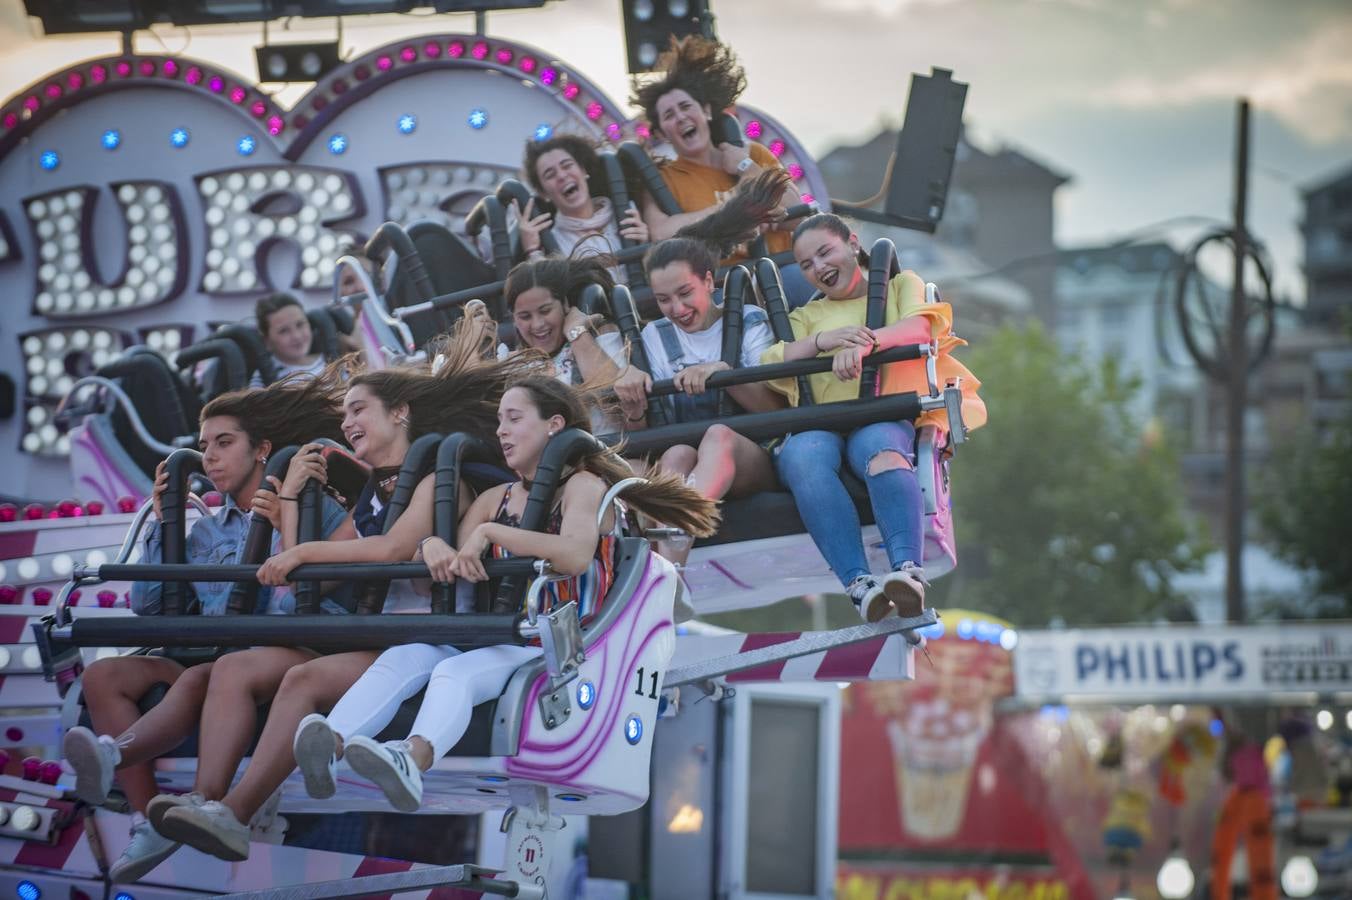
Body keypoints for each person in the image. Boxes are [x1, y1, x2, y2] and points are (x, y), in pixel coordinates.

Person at [150, 327, 537, 864]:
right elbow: (312, 566)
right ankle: (217, 805)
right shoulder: (372, 494)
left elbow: (388, 551)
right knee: (271, 674)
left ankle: (236, 812)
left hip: (439, 641)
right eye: (345, 415)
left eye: (359, 410)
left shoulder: (436, 478)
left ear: (400, 413)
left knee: (305, 678)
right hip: (389, 640)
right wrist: (290, 496)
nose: (347, 423)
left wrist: (301, 555)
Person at [290, 375, 720, 813]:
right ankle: (331, 742)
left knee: (454, 674)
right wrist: (431, 546)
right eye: (499, 421)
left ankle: (411, 758)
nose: (501, 431)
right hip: (501, 634)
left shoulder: (584, 487)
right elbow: (456, 561)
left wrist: (492, 533)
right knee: (401, 658)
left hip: (559, 642)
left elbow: (573, 555)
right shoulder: (496, 498)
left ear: (554, 425)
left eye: (513, 419)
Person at [60, 376, 351, 883]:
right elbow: (148, 606)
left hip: (293, 651)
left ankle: (141, 766)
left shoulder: (313, 505)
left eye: (224, 443)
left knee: (210, 674)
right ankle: (148, 818)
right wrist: (162, 520)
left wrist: (283, 521)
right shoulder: (208, 529)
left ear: (261, 449)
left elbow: (290, 608)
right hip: (216, 654)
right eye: (203, 447)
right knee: (103, 677)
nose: (210, 458)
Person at [760, 213, 984, 622]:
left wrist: (867, 343)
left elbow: (920, 326)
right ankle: (860, 586)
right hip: (822, 425)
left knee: (881, 449)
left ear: (852, 243)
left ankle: (908, 573)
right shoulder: (806, 317)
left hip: (881, 415)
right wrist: (822, 340)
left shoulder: (900, 286)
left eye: (825, 252)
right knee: (802, 459)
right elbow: (772, 358)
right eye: (807, 265)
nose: (819, 268)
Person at [614, 170, 792, 564]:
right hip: (685, 454)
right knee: (675, 454)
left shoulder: (747, 322)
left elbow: (775, 410)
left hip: (748, 454)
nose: (676, 310)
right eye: (663, 300)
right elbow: (647, 431)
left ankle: (676, 526)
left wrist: (722, 375)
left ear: (708, 282)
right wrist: (633, 403)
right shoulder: (653, 338)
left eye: (684, 294)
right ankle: (670, 570)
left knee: (717, 435)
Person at [630, 36, 811, 305]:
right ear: (661, 133)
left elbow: (796, 212)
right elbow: (662, 233)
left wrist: (745, 168)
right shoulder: (662, 179)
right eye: (669, 115)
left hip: (781, 273)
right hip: (722, 290)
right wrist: (742, 207)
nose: (680, 117)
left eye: (686, 107)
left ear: (706, 111)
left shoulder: (754, 155)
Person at [500, 256, 632, 433]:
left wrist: (577, 334)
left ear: (564, 303)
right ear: (514, 319)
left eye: (545, 311)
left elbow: (619, 410)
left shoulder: (599, 336)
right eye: (525, 316)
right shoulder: (509, 364)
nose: (538, 324)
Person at [516, 134, 649, 284]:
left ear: (583, 170)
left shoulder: (627, 211)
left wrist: (646, 245)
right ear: (543, 193)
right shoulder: (552, 243)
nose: (561, 175)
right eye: (550, 174)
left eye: (567, 165)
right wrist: (533, 252)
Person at [249, 292, 326, 387]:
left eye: (300, 324)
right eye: (283, 331)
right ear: (267, 341)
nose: (296, 336)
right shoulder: (263, 380)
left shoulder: (329, 359)